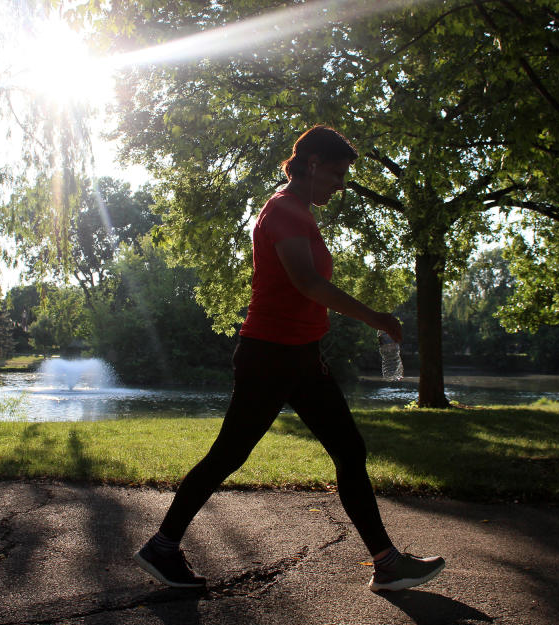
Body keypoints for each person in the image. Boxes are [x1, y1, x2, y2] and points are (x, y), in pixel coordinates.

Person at [133, 125, 444, 592]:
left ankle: (387, 562)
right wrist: (375, 317)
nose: (341, 186)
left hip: (299, 358)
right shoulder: (283, 212)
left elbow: (305, 294)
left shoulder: (297, 211)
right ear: (314, 163)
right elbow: (308, 283)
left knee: (348, 449)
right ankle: (161, 547)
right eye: (338, 174)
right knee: (228, 455)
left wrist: (315, 349)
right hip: (270, 356)